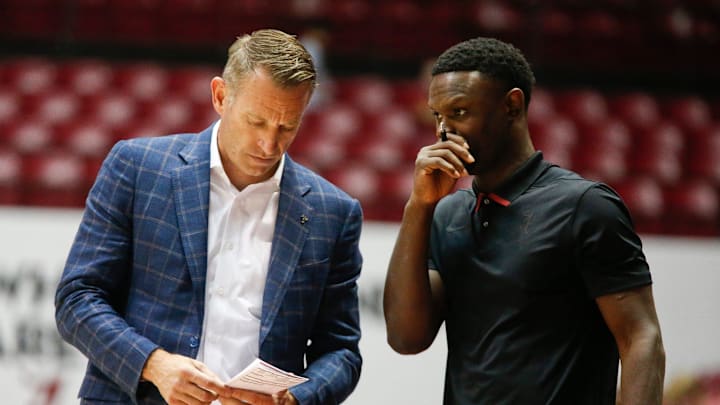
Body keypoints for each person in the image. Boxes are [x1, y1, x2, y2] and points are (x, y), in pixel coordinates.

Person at [55, 29, 362, 405]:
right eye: (256, 121)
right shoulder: (138, 169)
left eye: (287, 126)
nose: (270, 144)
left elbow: (341, 352)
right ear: (220, 95)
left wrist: (293, 399)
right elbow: (77, 299)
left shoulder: (334, 213)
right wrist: (154, 364)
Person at [383, 37, 665, 404]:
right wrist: (418, 207)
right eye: (438, 116)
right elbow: (407, 337)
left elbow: (642, 339)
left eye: (460, 113)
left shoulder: (585, 206)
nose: (443, 132)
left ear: (512, 106)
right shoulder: (447, 215)